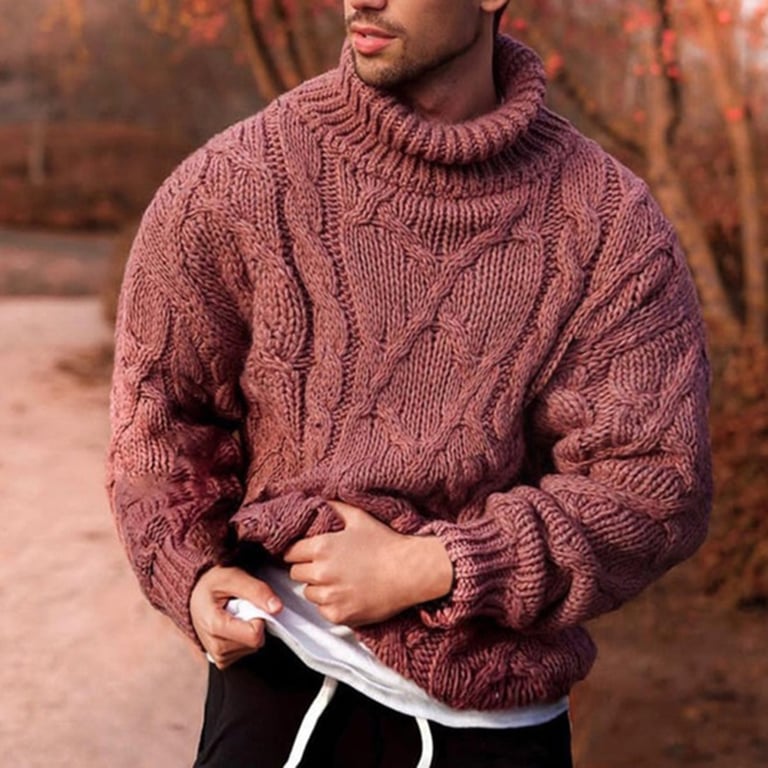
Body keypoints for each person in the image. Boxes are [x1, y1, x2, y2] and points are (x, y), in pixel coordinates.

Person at [107, 1, 712, 766]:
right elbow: (160, 419)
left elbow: (655, 486)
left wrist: (439, 565)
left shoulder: (608, 223)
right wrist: (188, 575)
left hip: (497, 731)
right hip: (278, 693)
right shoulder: (236, 182)